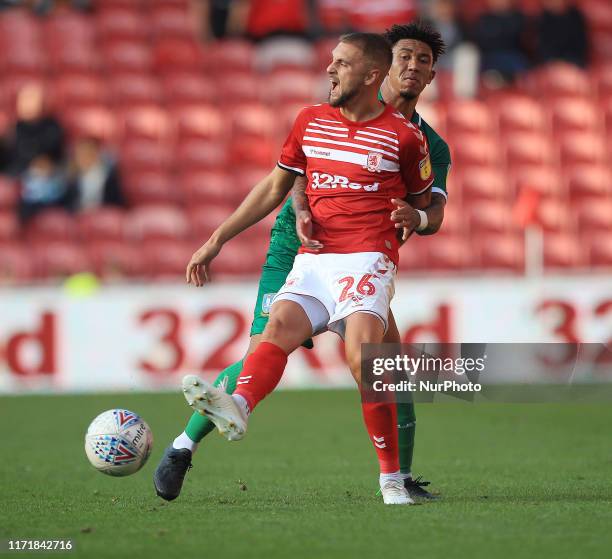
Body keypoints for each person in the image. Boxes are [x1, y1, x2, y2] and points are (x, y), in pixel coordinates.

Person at [154, 22, 450, 503]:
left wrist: (416, 215)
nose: (412, 67)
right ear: (385, 67)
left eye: (423, 61)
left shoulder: (422, 143)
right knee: (265, 347)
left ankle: (399, 477)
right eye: (404, 58)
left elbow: (431, 211)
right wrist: (297, 206)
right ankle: (184, 446)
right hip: (299, 246)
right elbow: (290, 174)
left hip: (362, 255)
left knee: (382, 364)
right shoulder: (320, 114)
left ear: (431, 75)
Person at [2, 83, 65, 177]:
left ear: (41, 103)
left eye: (31, 100)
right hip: (16, 172)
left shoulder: (52, 127)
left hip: (44, 175)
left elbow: (50, 155)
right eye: (23, 100)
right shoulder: (16, 127)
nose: (26, 104)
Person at [66, 137, 125, 213]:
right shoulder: (73, 178)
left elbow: (114, 204)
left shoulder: (109, 176)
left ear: (96, 153)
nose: (83, 158)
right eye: (80, 154)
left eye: (87, 153)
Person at [534, 0, 588, 67]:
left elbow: (580, 46)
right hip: (549, 64)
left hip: (573, 64)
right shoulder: (542, 18)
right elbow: (542, 48)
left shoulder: (575, 16)